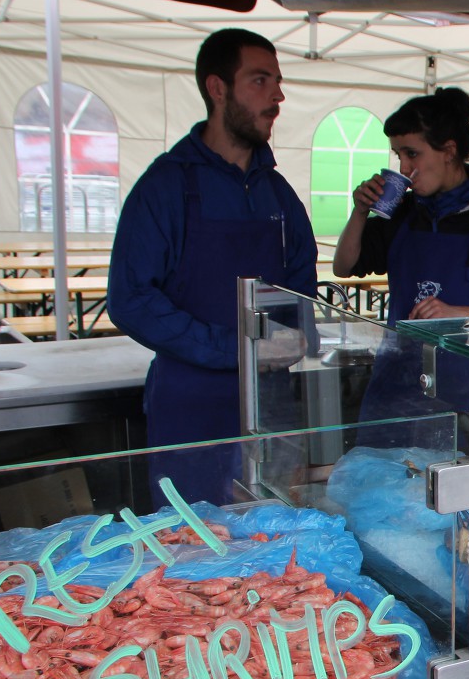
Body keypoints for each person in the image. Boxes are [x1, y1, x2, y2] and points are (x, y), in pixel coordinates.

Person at [108, 28, 317, 505]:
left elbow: (303, 289)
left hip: (271, 408)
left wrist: (301, 334)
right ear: (217, 88)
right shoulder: (165, 187)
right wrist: (238, 348)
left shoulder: (279, 196)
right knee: (194, 559)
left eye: (278, 82)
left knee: (278, 552)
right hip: (192, 409)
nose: (278, 96)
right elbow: (131, 299)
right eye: (260, 81)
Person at [333, 87, 469, 436]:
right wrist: (359, 212)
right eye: (398, 155)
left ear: (448, 151)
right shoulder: (405, 211)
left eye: (412, 154)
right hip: (398, 383)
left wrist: (457, 315)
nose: (404, 168)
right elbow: (345, 265)